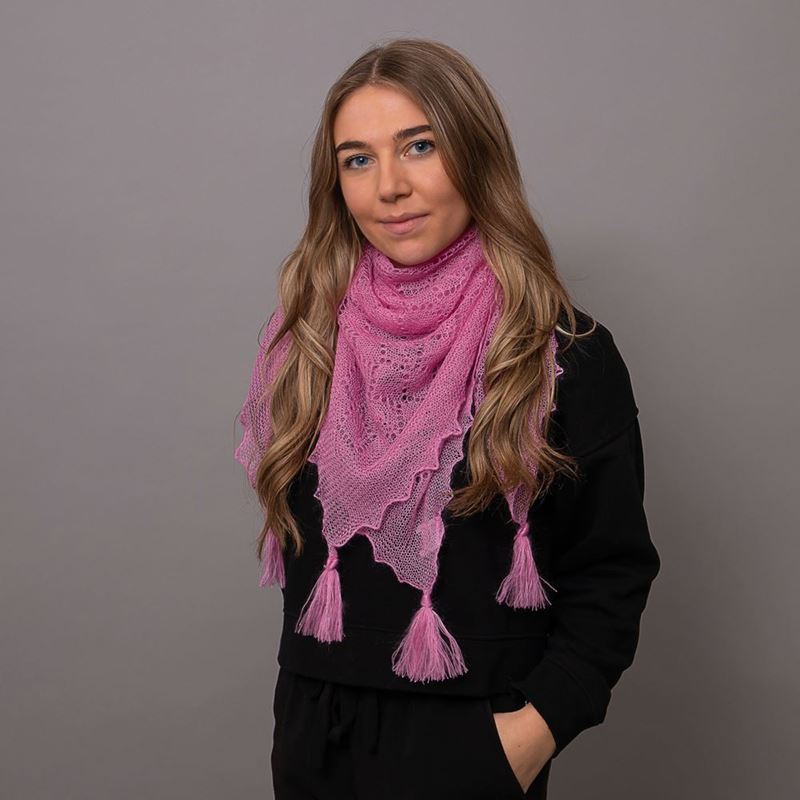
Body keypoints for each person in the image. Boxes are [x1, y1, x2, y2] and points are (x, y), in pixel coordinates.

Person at [234, 38, 661, 800]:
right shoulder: (307, 341)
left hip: (472, 745)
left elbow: (612, 571)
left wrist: (529, 735)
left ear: (475, 151)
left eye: (419, 146)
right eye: (357, 159)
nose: (389, 187)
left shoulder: (561, 355)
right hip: (312, 740)